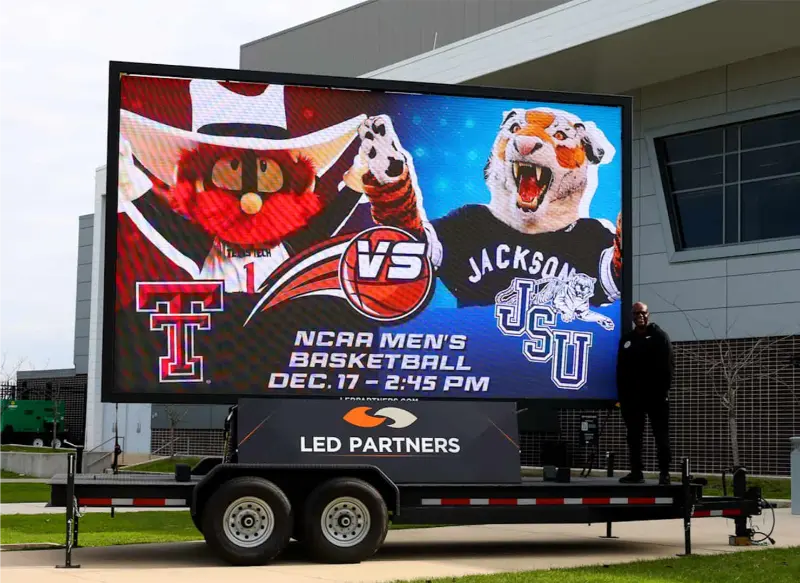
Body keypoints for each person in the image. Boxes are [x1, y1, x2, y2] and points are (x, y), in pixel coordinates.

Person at [616, 302, 674, 485]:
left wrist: (663, 392)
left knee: (661, 436)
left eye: (642, 313)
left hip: (656, 397)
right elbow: (621, 370)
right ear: (632, 317)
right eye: (636, 314)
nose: (639, 316)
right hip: (633, 399)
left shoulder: (659, 337)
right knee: (634, 436)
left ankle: (664, 473)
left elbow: (669, 368)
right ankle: (636, 472)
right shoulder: (627, 340)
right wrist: (622, 396)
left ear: (648, 314)